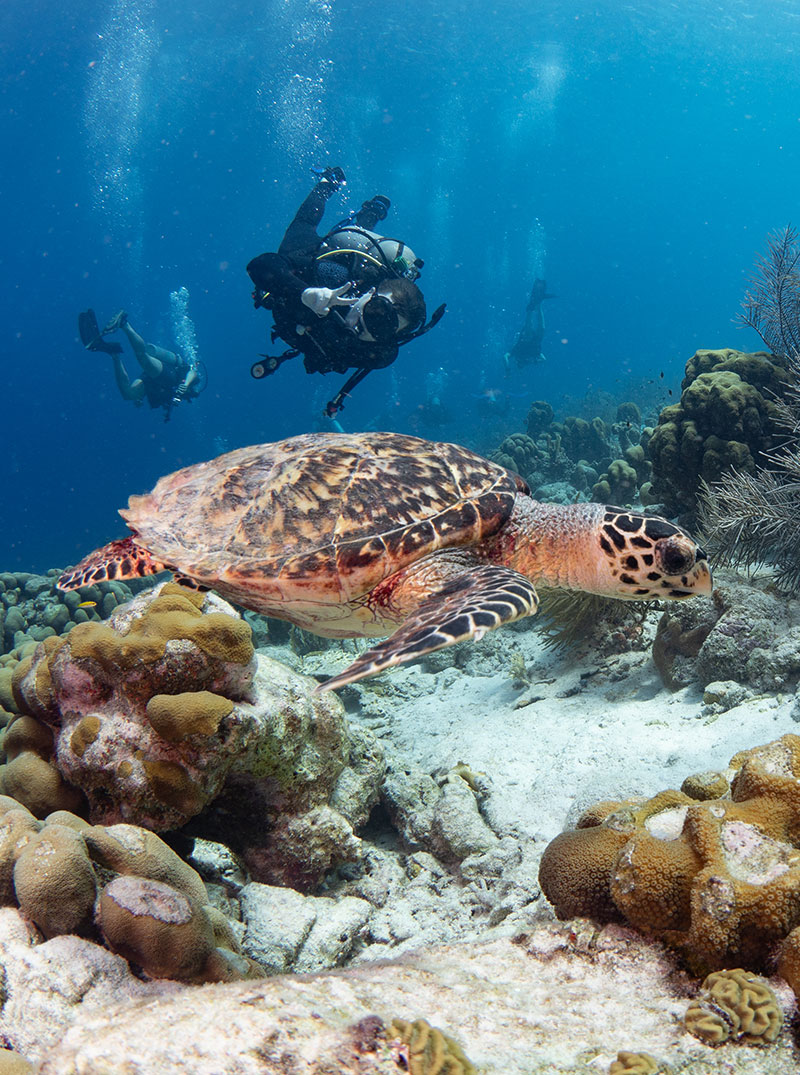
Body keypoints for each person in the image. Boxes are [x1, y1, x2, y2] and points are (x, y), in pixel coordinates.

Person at [247, 165, 445, 417]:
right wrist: (305, 293)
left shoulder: (381, 353)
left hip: (308, 328)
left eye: (382, 328)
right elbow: (260, 266)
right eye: (375, 310)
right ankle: (328, 183)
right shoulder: (329, 278)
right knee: (303, 225)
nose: (365, 324)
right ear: (367, 294)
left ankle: (368, 217)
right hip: (305, 283)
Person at [78, 309, 205, 421]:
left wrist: (140, 397)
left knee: (128, 394)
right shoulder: (191, 384)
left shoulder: (175, 396)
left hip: (155, 382)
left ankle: (114, 353)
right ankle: (124, 323)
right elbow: (192, 372)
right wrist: (186, 384)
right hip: (169, 374)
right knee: (143, 358)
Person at [504, 278, 554, 372]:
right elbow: (544, 359)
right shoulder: (532, 357)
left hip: (526, 336)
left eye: (520, 362)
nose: (522, 361)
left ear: (517, 361)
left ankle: (530, 308)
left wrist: (507, 368)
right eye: (523, 363)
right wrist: (534, 361)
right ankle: (539, 303)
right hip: (535, 341)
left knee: (528, 333)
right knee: (541, 329)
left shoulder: (516, 353)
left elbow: (505, 356)